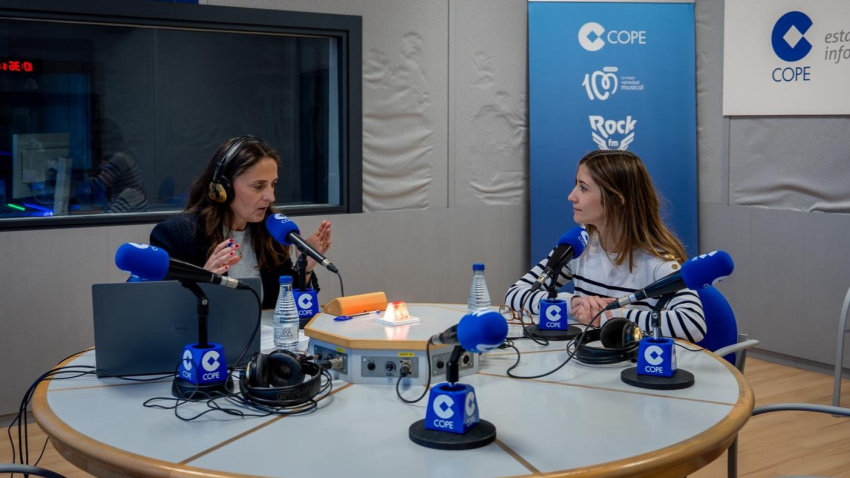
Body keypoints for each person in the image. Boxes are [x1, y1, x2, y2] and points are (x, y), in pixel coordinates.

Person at [505, 150, 705, 343]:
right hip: (585, 357)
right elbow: (515, 294)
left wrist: (610, 316)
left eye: (583, 188)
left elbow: (693, 324)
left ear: (616, 200)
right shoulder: (580, 245)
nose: (571, 196)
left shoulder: (659, 261)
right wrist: (572, 304)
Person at [150, 135, 332, 309]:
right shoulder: (177, 234)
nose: (271, 197)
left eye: (273, 184)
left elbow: (284, 307)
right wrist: (205, 278)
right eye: (258, 186)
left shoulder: (271, 230)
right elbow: (163, 310)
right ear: (224, 187)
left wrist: (305, 267)